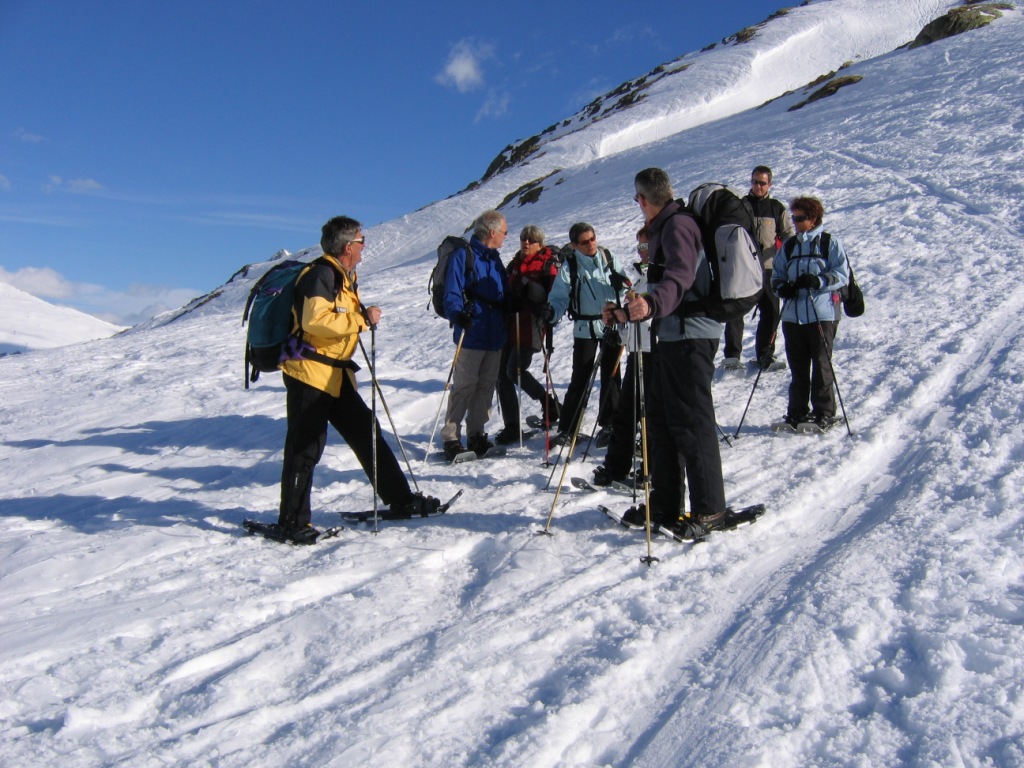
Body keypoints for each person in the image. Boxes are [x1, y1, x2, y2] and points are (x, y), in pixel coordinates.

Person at [278, 216, 439, 543]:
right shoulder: (321, 274)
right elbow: (314, 321)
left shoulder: (343, 276)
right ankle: (291, 522)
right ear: (347, 246)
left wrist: (358, 319)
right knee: (305, 448)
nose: (365, 246)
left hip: (335, 375)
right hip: (310, 375)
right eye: (361, 241)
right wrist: (361, 319)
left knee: (367, 432)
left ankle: (401, 499)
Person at [622, 168, 728, 539]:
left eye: (637, 199)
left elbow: (680, 277)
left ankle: (711, 510)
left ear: (642, 199)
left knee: (693, 422)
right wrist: (626, 311)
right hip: (670, 335)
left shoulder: (679, 225)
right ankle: (665, 504)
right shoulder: (664, 227)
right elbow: (662, 283)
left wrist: (651, 304)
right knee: (662, 421)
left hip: (692, 335)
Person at [546, 222, 629, 447]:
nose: (591, 244)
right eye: (584, 242)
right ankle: (568, 428)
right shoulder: (570, 265)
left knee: (611, 375)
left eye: (592, 238)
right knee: (580, 376)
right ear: (575, 245)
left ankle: (609, 425)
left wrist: (621, 284)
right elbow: (559, 296)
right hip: (585, 327)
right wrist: (551, 312)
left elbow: (626, 286)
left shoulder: (608, 257)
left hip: (611, 324)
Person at [771, 196, 849, 430]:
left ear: (813, 219)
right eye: (793, 218)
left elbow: (842, 274)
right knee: (798, 366)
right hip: (793, 315)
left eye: (800, 218)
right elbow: (776, 275)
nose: (795, 223)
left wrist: (818, 281)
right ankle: (797, 412)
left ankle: (824, 411)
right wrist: (782, 288)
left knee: (822, 364)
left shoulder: (829, 242)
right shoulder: (790, 246)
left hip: (822, 314)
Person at [441, 210, 509, 461]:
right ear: (492, 232)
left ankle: (476, 434)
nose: (505, 236)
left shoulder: (495, 259)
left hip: (494, 334)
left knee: (486, 386)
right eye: (504, 232)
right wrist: (457, 315)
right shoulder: (464, 256)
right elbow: (452, 292)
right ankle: (451, 438)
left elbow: (503, 292)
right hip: (471, 333)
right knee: (464, 385)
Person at [593, 227, 653, 486]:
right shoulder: (640, 279)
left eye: (646, 246)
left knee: (649, 414)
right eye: (639, 247)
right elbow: (631, 325)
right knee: (625, 412)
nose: (642, 252)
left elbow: (656, 314)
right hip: (637, 352)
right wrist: (618, 320)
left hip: (656, 353)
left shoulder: (663, 277)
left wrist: (629, 314)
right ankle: (616, 467)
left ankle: (652, 469)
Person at [494, 225, 561, 444]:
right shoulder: (515, 263)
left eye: (531, 240)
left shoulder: (547, 264)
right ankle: (512, 426)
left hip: (531, 326)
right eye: (524, 238)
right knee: (501, 376)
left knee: (514, 371)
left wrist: (531, 303)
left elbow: (555, 297)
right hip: (508, 324)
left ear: (540, 244)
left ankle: (548, 403)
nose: (526, 242)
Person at [739, 165, 795, 369]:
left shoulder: (776, 207)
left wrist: (787, 254)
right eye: (754, 182)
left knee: (771, 312)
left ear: (769, 184)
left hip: (768, 268)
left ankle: (765, 355)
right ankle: (732, 357)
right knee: (736, 312)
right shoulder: (742, 205)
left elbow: (788, 234)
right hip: (744, 268)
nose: (758, 186)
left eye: (762, 183)